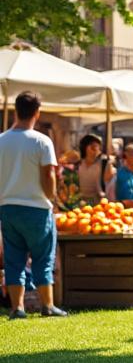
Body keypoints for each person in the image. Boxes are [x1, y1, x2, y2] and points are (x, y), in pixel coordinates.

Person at [0, 91, 65, 319]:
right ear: (37, 112)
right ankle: (47, 305)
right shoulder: (41, 141)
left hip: (8, 207)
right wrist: (52, 199)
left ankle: (17, 307)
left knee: (13, 258)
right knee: (42, 256)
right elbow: (49, 175)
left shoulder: (1, 141)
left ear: (16, 111)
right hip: (37, 207)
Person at [75, 134, 114, 203]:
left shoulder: (104, 163)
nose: (96, 149)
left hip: (98, 202)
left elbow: (109, 179)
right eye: (92, 146)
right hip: (79, 201)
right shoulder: (78, 163)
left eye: (97, 146)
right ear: (85, 147)